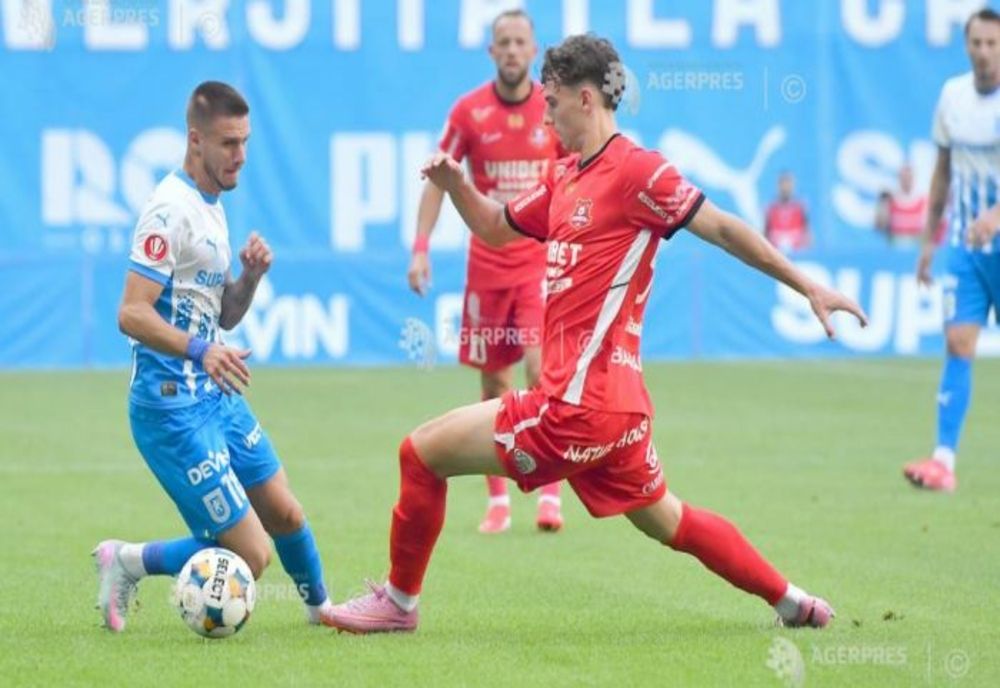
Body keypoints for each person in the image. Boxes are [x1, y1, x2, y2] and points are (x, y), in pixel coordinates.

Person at [323, 35, 868, 634]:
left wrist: (806, 284)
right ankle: (794, 602)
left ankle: (398, 605)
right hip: (617, 414)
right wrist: (455, 184)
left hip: (574, 407)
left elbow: (724, 228)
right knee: (670, 520)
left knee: (419, 453)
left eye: (551, 102)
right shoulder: (562, 178)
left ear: (585, 99)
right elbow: (493, 228)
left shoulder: (639, 170)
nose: (545, 115)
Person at [93, 81, 335, 631]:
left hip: (214, 396)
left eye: (245, 142)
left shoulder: (211, 206)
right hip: (169, 408)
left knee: (286, 512)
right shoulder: (166, 212)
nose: (241, 157)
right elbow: (131, 313)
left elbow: (222, 314)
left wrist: (248, 277)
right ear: (195, 139)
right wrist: (201, 351)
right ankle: (126, 561)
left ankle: (322, 611)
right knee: (251, 555)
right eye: (229, 144)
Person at [407, 9, 565, 534]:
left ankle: (549, 491)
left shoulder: (553, 108)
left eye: (521, 41)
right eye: (504, 42)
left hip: (538, 260)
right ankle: (498, 499)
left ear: (534, 49)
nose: (514, 50)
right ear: (492, 52)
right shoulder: (470, 112)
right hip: (486, 266)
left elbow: (580, 168)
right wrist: (421, 246)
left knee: (540, 371)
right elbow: (437, 179)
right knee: (495, 380)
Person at [903, 9, 1000, 492]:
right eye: (976, 42)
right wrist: (927, 240)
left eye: (992, 44)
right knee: (958, 342)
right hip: (965, 245)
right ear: (966, 45)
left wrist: (997, 216)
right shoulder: (952, 96)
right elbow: (942, 172)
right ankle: (943, 461)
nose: (983, 51)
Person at [874, 164, 942, 247]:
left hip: (915, 246)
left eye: (909, 177)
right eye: (903, 178)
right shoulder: (890, 199)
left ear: (913, 179)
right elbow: (879, 227)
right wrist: (882, 206)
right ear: (899, 178)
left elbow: (930, 230)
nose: (906, 180)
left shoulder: (923, 200)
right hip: (895, 246)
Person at [764, 171, 811, 252]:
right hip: (776, 254)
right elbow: (765, 235)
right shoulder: (770, 209)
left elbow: (807, 235)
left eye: (788, 183)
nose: (785, 187)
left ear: (793, 185)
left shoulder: (800, 208)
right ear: (778, 185)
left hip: (797, 255)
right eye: (782, 183)